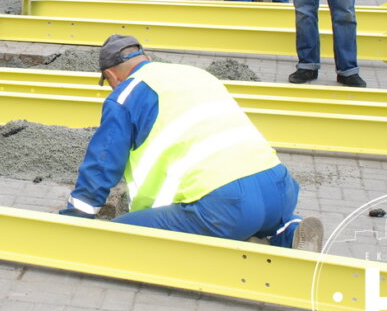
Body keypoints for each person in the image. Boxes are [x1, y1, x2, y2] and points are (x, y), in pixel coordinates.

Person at [60, 35, 323, 252]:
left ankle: (240, 232)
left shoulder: (125, 94)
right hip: (279, 187)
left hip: (226, 205)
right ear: (147, 59)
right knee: (259, 218)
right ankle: (289, 230)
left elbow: (102, 164)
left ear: (111, 76)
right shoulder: (194, 73)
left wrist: (78, 220)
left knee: (116, 238)